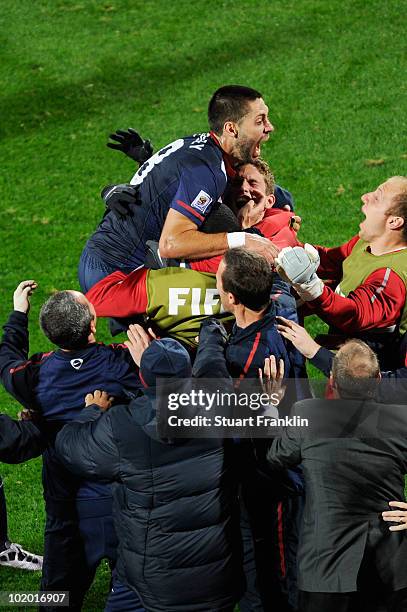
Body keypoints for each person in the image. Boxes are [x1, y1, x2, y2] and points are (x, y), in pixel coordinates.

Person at [55, 322, 244, 612]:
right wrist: (211, 334)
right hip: (218, 575)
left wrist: (91, 411)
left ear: (143, 378)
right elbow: (212, 368)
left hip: (155, 580)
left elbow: (71, 448)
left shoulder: (122, 426)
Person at [0, 280, 143, 611]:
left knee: (56, 598)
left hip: (66, 506)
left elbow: (7, 362)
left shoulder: (33, 376)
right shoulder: (125, 364)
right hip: (123, 499)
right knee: (136, 593)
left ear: (49, 335)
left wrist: (18, 313)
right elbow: (166, 379)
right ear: (93, 324)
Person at [79, 85, 278, 291]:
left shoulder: (195, 144)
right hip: (119, 271)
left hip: (101, 256)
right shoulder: (207, 170)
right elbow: (171, 244)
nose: (269, 127)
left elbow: (162, 187)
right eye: (259, 120)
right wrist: (242, 239)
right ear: (231, 129)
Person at [84, 159, 301, 346]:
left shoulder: (161, 279)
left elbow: (97, 300)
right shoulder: (274, 239)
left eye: (252, 183)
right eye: (237, 183)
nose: (244, 189)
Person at [266, 340, 407, 612]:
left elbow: (275, 457)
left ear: (332, 381)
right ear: (378, 380)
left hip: (325, 570)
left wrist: (272, 406)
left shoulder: (307, 414)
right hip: (391, 569)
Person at [276, 176, 407, 367]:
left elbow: (354, 314)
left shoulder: (391, 276)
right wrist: (286, 247)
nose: (365, 197)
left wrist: (311, 288)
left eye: (377, 198)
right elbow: (333, 261)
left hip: (363, 380)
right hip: (343, 358)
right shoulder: (370, 241)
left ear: (394, 222)